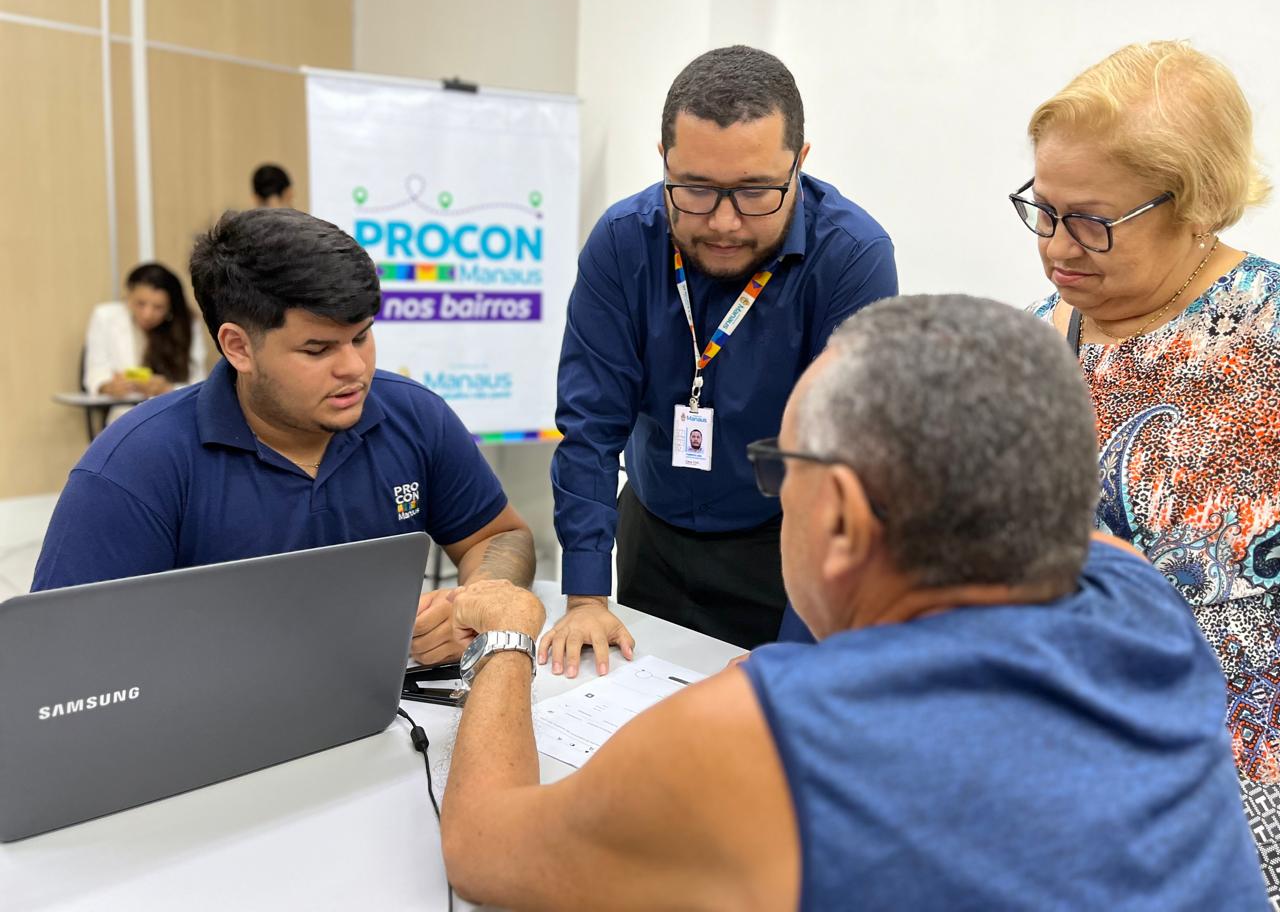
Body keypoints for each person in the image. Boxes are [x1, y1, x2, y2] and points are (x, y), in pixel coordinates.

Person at [439, 295, 1267, 911]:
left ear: (838, 516)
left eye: (779, 469)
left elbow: (482, 850)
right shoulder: (1141, 595)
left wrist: (510, 636)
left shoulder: (758, 739)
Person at [1014, 40, 1280, 902]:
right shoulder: (1033, 340)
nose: (1058, 245)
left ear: (1197, 203)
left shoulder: (1267, 340)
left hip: (1227, 787)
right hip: (1060, 767)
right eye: (1042, 209)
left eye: (1091, 219)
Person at [34, 208, 534, 667]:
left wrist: (480, 601)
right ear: (238, 347)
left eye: (361, 336)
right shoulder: (135, 465)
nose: (355, 368)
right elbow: (59, 657)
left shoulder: (414, 416)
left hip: (389, 717)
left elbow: (499, 535)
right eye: (317, 349)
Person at [546, 45, 897, 675]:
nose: (726, 223)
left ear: (801, 163)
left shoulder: (850, 257)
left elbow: (839, 466)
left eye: (757, 191)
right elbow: (589, 427)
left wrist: (795, 655)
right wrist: (586, 594)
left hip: (784, 547)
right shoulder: (624, 241)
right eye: (697, 191)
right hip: (651, 531)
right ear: (664, 164)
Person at [83, 263, 206, 422]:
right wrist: (108, 387)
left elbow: (198, 383)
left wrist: (166, 389)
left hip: (173, 412)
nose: (147, 314)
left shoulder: (187, 325)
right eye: (140, 304)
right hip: (124, 414)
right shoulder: (105, 318)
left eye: (158, 307)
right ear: (129, 296)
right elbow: (95, 372)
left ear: (170, 308)